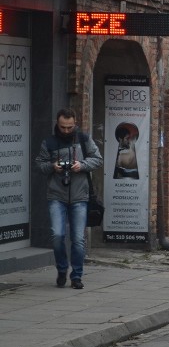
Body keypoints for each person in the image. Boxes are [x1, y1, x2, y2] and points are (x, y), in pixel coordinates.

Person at [35, 107, 104, 289]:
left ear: (75, 124)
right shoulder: (49, 142)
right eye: (63, 127)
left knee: (78, 239)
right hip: (56, 195)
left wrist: (81, 165)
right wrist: (52, 166)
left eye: (70, 127)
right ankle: (61, 269)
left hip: (80, 196)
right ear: (57, 124)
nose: (66, 130)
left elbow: (98, 159)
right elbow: (39, 165)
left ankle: (77, 276)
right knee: (57, 235)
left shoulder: (83, 138)